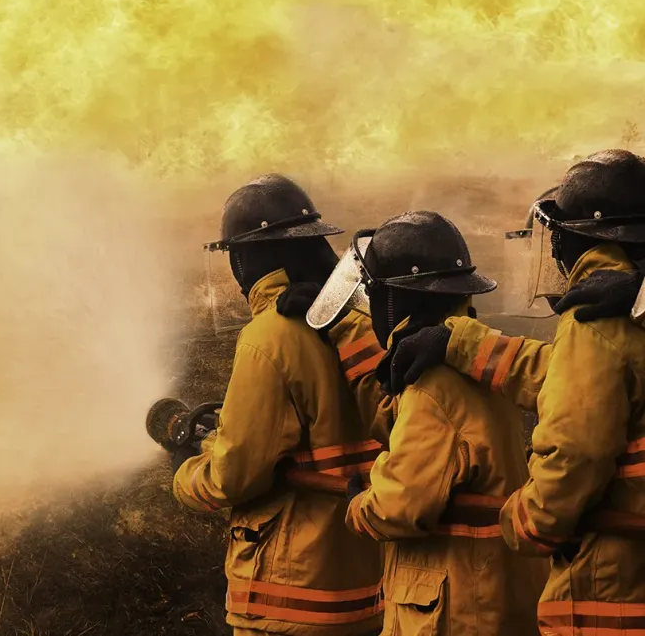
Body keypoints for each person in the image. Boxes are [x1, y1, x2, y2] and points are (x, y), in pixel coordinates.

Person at [381, 150, 645, 635]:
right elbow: (568, 378)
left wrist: (525, 522)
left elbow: (577, 446)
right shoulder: (629, 307)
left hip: (614, 588)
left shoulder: (597, 317)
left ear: (572, 234)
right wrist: (457, 339)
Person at [172, 174, 385, 636]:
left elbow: (237, 475)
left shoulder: (269, 337)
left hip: (291, 596)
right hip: (371, 583)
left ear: (246, 258)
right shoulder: (362, 318)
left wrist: (188, 471)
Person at [321, 211, 546, 635]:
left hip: (455, 609)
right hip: (493, 594)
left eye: (374, 295)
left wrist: (359, 504)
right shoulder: (476, 364)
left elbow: (401, 506)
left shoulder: (432, 385)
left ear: (395, 299)